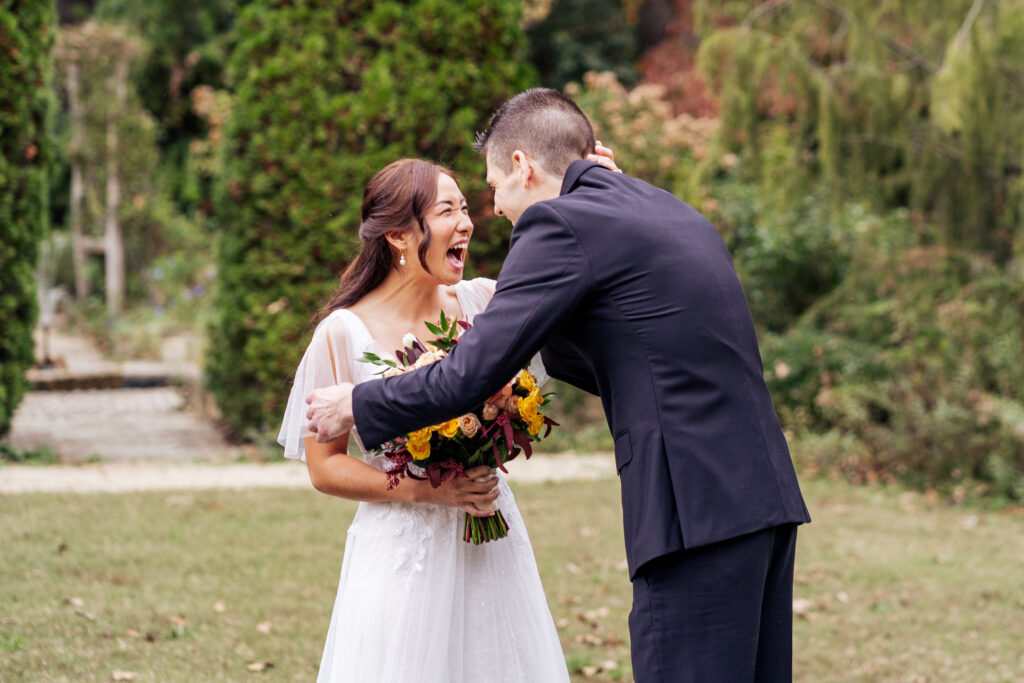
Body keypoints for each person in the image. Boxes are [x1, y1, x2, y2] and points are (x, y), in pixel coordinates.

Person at [306, 88, 812, 681]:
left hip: (695, 509)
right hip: (761, 498)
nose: (492, 210)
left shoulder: (559, 221)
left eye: (492, 186)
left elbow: (470, 375)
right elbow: (610, 342)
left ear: (522, 166)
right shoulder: (662, 207)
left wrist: (358, 403)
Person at [279, 149, 617, 682]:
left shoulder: (484, 302)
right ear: (398, 236)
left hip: (488, 531)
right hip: (399, 548)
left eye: (464, 208)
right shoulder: (342, 334)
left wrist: (598, 188)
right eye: (446, 211)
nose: (467, 223)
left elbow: (576, 289)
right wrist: (428, 492)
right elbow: (323, 468)